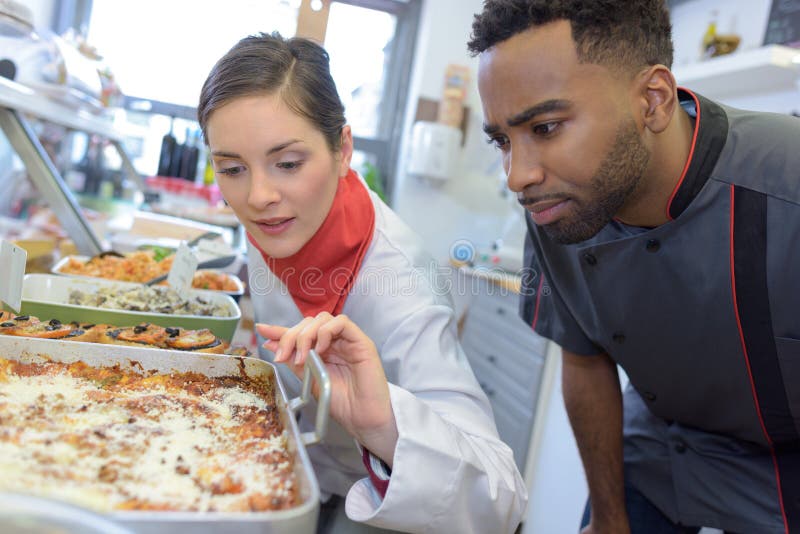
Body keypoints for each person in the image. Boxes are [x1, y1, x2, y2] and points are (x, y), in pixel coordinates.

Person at [468, 1, 800, 533]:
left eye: (547, 127)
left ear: (652, 100)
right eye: (503, 140)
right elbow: (584, 361)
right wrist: (608, 518)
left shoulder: (787, 182)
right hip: (662, 452)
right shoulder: (557, 207)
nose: (518, 175)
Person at [197, 32, 526, 534]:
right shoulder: (281, 219)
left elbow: (501, 500)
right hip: (294, 468)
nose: (258, 195)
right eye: (233, 168)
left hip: (379, 501)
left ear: (343, 149)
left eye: (287, 164)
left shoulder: (400, 281)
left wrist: (384, 426)